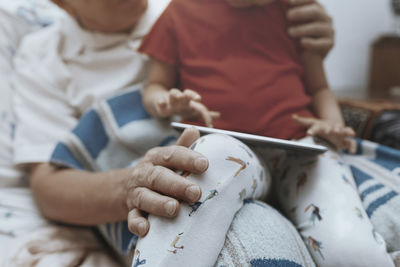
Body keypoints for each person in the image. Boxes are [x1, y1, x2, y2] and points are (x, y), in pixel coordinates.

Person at [8, 0, 339, 265]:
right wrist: (131, 185)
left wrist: (306, 47)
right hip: (169, 190)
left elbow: (290, 90)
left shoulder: (197, 11)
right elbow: (48, 188)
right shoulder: (43, 54)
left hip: (246, 165)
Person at [138, 0, 395, 266]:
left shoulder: (298, 11)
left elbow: (320, 89)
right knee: (202, 168)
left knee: (353, 252)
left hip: (300, 146)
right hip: (223, 144)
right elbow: (155, 85)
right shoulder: (179, 11)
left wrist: (334, 125)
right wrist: (166, 101)